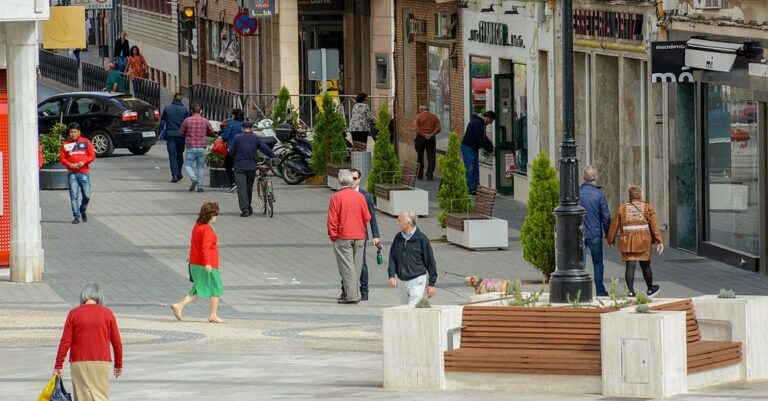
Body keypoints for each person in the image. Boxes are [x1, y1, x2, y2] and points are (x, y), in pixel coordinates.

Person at [54, 283, 123, 401]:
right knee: (101, 396)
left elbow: (65, 341)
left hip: (78, 361)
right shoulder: (107, 314)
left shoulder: (74, 314)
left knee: (81, 397)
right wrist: (118, 364)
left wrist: (58, 364)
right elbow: (116, 342)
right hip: (101, 361)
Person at [171, 202, 225, 323]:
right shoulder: (207, 230)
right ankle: (213, 314)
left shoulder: (197, 226)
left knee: (198, 288)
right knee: (216, 287)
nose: (216, 217)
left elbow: (194, 244)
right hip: (207, 264)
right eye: (215, 215)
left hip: (195, 262)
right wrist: (208, 263)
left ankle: (179, 306)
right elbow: (205, 247)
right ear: (210, 216)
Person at [607, 185, 664, 298]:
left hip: (627, 241)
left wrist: (610, 239)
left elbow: (614, 225)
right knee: (646, 265)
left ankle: (631, 291)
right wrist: (659, 240)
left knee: (630, 265)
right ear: (640, 195)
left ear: (630, 195)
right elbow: (654, 226)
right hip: (644, 241)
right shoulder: (647, 207)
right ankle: (650, 289)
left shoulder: (622, 208)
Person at [327, 169, 371, 304]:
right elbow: (367, 217)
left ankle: (352, 296)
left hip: (343, 236)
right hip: (359, 235)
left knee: (347, 267)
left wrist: (333, 236)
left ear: (339, 181)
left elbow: (332, 219)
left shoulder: (336, 197)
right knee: (356, 266)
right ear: (351, 181)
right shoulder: (360, 197)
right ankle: (352, 293)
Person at [338, 168, 380, 302]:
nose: (353, 181)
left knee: (361, 264)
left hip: (361, 235)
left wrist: (376, 235)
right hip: (346, 235)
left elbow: (372, 217)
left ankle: (364, 291)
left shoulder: (365, 196)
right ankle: (345, 291)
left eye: (355, 178)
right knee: (346, 264)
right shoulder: (342, 194)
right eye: (351, 178)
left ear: (360, 179)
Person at [387, 209, 438, 306]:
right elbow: (392, 257)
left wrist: (431, 284)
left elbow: (430, 261)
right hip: (402, 280)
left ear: (408, 223)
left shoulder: (422, 239)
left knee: (411, 308)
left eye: (400, 220)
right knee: (405, 307)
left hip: (417, 279)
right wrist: (391, 275)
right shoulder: (398, 238)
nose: (398, 223)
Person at [231, 120, 276, 216]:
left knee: (241, 188)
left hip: (239, 166)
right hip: (251, 166)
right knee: (248, 188)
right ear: (251, 129)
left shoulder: (237, 138)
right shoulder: (255, 138)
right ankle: (248, 206)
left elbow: (231, 152)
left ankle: (245, 209)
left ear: (242, 129)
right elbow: (265, 148)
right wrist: (273, 155)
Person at [578, 166, 611, 297]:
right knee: (598, 263)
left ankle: (579, 290)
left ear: (583, 177)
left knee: (580, 263)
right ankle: (600, 290)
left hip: (579, 233)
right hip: (595, 233)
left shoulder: (577, 192)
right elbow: (606, 216)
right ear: (595, 177)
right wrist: (609, 234)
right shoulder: (599, 194)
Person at [59, 122, 96, 224]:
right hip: (72, 174)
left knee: (87, 195)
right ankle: (76, 216)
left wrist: (83, 162)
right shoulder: (66, 144)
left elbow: (92, 155)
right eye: (71, 132)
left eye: (75, 132)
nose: (73, 134)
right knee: (74, 196)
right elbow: (62, 158)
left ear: (79, 132)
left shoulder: (86, 142)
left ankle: (82, 209)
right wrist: (69, 165)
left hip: (84, 173)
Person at [180, 104, 215, 193]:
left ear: (191, 111)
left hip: (191, 146)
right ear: (201, 111)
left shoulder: (187, 120)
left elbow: (181, 133)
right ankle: (200, 187)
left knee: (188, 165)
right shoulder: (205, 121)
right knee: (201, 167)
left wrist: (187, 135)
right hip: (202, 147)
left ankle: (193, 177)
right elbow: (212, 132)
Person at [461, 110, 495, 195]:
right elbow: (480, 139)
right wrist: (490, 150)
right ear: (487, 118)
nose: (490, 123)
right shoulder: (477, 123)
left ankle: (474, 187)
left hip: (473, 147)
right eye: (490, 121)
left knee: (475, 168)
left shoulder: (480, 123)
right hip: (468, 147)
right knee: (470, 168)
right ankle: (470, 189)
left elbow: (484, 137)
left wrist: (491, 147)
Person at [159, 93, 190, 182]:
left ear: (173, 99)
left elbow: (162, 122)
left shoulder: (167, 108)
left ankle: (175, 175)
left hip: (170, 135)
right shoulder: (184, 110)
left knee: (172, 155)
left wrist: (159, 132)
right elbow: (187, 123)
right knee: (179, 155)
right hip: (181, 136)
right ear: (181, 100)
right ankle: (179, 172)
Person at [413, 105, 441, 180]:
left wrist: (424, 134)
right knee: (431, 157)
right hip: (431, 139)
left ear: (423, 109)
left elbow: (416, 128)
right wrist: (431, 134)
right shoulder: (434, 117)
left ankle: (420, 175)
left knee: (420, 157)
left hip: (420, 138)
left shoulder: (418, 117)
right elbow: (438, 128)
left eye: (420, 109)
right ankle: (429, 175)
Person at [220, 108, 245, 193]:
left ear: (234, 115)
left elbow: (225, 137)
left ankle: (233, 183)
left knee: (228, 166)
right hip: (244, 149)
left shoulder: (231, 124)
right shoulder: (245, 124)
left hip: (232, 149)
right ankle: (243, 183)